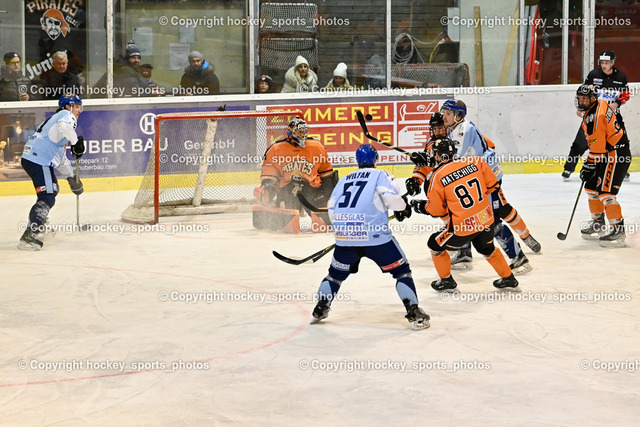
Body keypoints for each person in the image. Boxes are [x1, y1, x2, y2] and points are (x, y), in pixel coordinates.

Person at [310, 144, 429, 330]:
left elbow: (332, 208)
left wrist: (345, 232)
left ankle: (320, 308)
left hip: (345, 238)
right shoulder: (381, 174)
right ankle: (413, 311)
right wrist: (402, 207)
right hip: (377, 239)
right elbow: (390, 199)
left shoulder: (344, 179)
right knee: (402, 272)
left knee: (334, 276)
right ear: (376, 159)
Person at [440, 99, 540, 272]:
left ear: (459, 116)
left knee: (492, 221)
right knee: (466, 215)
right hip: (478, 178)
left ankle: (519, 258)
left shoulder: (464, 130)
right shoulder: (455, 130)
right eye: (444, 113)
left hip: (487, 179)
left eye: (448, 114)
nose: (444, 117)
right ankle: (465, 253)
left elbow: (454, 160)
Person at [410, 138, 519, 292]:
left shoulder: (436, 177)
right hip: (486, 220)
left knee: (434, 244)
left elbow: (437, 211)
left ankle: (446, 281)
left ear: (436, 155)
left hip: (462, 228)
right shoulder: (476, 162)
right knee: (486, 248)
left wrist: (421, 206)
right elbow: (493, 185)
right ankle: (509, 278)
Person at [18, 93, 85, 250]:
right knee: (48, 195)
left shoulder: (56, 123)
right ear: (68, 106)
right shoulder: (65, 115)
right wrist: (75, 143)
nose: (79, 111)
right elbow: (65, 126)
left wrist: (71, 177)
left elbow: (59, 158)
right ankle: (30, 234)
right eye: (77, 106)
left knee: (49, 192)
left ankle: (38, 225)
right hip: (39, 159)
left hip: (34, 158)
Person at [575, 84, 631, 247]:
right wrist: (589, 165)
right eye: (580, 98)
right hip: (607, 152)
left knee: (606, 193)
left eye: (586, 98)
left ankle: (618, 230)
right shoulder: (599, 104)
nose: (583, 101)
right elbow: (597, 147)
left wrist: (588, 165)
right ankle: (598, 222)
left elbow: (598, 149)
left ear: (593, 99)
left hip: (615, 154)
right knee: (592, 187)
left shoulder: (595, 117)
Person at [562, 50, 630, 182]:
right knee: (580, 143)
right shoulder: (594, 75)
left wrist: (617, 103)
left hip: (613, 117)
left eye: (606, 63)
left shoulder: (620, 77)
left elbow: (626, 94)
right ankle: (568, 168)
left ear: (612, 63)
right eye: (602, 63)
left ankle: (622, 169)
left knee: (620, 143)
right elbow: (584, 94)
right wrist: (580, 109)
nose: (603, 65)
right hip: (593, 115)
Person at [255, 117, 336, 213]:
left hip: (312, 189)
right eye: (300, 132)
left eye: (305, 131)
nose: (303, 135)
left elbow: (327, 175)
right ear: (290, 132)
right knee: (283, 218)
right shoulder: (276, 149)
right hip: (288, 189)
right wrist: (267, 191)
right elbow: (269, 177)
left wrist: (330, 197)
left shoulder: (317, 146)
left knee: (324, 217)